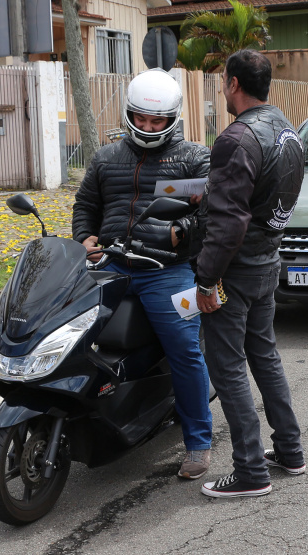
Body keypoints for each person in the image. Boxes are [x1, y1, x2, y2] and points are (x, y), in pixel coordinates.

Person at [72, 69, 214, 480]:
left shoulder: (193, 158)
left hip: (166, 272)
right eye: (142, 119)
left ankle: (198, 442)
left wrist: (180, 232)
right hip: (111, 265)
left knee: (185, 350)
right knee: (74, 338)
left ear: (172, 120)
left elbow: (210, 215)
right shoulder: (105, 158)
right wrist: (85, 238)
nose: (149, 128)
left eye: (158, 122)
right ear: (128, 114)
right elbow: (85, 206)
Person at [192, 49, 306, 498]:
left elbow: (229, 223)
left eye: (223, 80)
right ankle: (290, 451)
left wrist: (205, 279)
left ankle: (250, 471)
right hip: (267, 262)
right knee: (265, 356)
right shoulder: (286, 129)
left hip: (235, 271)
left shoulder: (237, 138)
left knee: (228, 367)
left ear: (234, 83)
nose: (222, 87)